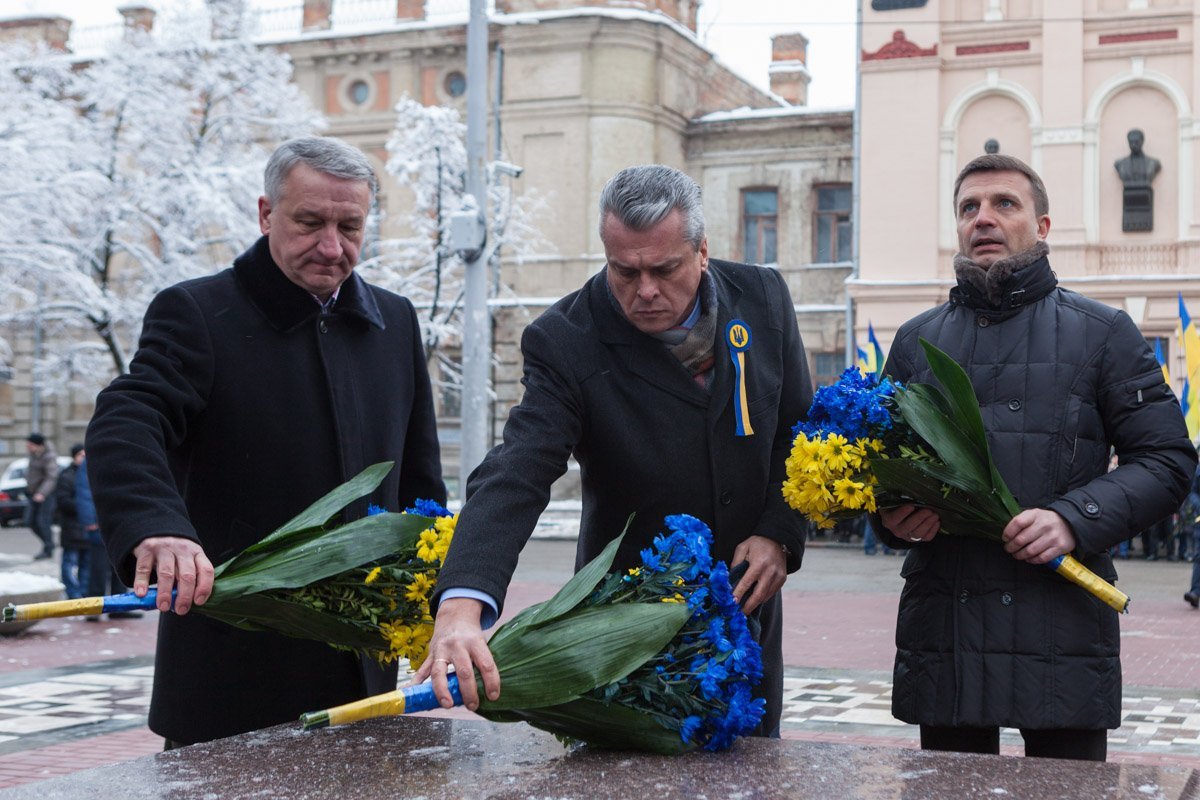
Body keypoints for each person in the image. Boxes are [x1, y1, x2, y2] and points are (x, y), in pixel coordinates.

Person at [418, 164, 813, 736]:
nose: (644, 290)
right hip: (623, 630)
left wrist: (780, 531)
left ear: (702, 251)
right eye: (624, 271)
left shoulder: (764, 299)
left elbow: (798, 432)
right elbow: (518, 468)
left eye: (664, 269)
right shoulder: (565, 340)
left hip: (746, 607)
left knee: (752, 767)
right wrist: (461, 604)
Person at [85, 135, 446, 747]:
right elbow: (127, 416)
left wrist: (435, 602)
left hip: (363, 678)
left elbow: (419, 486)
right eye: (309, 223)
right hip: (231, 680)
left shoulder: (395, 321)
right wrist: (156, 524)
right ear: (265, 214)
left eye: (350, 227)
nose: (331, 247)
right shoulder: (197, 312)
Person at [873, 154, 1196, 762]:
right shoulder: (917, 340)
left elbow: (1167, 461)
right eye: (968, 208)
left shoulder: (1103, 332)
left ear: (1043, 226)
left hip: (1061, 627)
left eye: (1004, 204)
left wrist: (1074, 518)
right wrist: (892, 518)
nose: (983, 218)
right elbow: (882, 467)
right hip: (947, 630)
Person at [53, 444, 90, 599]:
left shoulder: (90, 473)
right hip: (72, 528)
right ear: (74, 456)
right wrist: (85, 506)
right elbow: (63, 501)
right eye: (82, 455)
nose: (85, 458)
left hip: (88, 529)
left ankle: (84, 594)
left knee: (87, 564)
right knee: (69, 563)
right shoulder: (66, 475)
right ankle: (73, 594)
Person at [23, 432, 59, 560]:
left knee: (43, 522)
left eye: (30, 444)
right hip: (33, 494)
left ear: (38, 445)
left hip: (46, 495)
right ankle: (49, 543)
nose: (27, 446)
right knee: (29, 521)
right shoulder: (33, 455)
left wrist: (42, 493)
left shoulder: (49, 456)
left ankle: (48, 548)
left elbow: (51, 477)